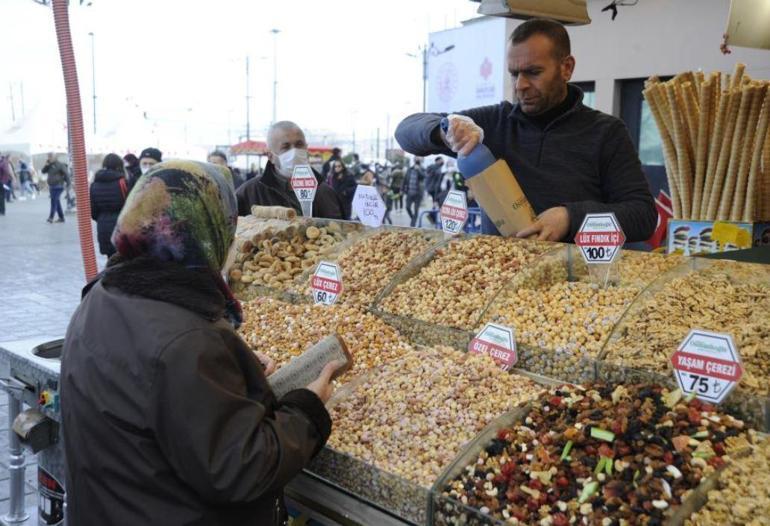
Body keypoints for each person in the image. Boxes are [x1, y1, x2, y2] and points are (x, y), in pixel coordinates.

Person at [61, 160, 339, 526]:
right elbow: (242, 469)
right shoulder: (187, 342)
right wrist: (308, 407)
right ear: (207, 231)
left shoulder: (104, 292)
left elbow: (154, 388)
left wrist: (231, 365)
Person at [395, 18, 656, 242]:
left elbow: (642, 215)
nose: (520, 85)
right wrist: (446, 130)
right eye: (513, 73)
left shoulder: (606, 132)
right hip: (499, 276)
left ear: (566, 68)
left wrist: (570, 217)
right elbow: (406, 130)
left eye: (533, 72)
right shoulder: (494, 123)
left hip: (575, 286)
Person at [236, 121, 345, 219]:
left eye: (299, 145)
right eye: (286, 147)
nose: (294, 152)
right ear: (270, 156)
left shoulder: (324, 191)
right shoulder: (249, 192)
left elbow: (342, 233)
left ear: (306, 149)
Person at [89, 153, 129, 257]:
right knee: (124, 258)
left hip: (103, 226)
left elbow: (93, 212)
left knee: (110, 259)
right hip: (122, 225)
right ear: (119, 166)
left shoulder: (94, 185)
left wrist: (103, 218)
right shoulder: (123, 182)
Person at [42, 153, 68, 223]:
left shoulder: (60, 165)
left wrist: (68, 184)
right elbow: (43, 171)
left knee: (53, 201)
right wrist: (46, 165)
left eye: (50, 157)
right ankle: (61, 217)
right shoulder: (49, 165)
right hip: (52, 186)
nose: (49, 158)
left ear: (55, 157)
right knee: (57, 201)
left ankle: (51, 217)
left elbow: (66, 174)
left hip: (59, 186)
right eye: (48, 157)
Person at [401, 158, 425, 227]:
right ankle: (413, 218)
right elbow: (405, 180)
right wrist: (402, 190)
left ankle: (413, 225)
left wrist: (418, 170)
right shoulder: (409, 169)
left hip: (418, 193)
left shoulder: (422, 169)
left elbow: (423, 176)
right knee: (407, 207)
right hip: (409, 193)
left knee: (416, 210)